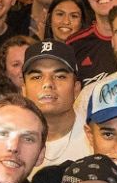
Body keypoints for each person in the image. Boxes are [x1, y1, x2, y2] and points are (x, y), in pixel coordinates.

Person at [21, 40, 90, 172]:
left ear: (76, 89)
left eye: (60, 76)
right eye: (37, 77)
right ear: (23, 90)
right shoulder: (12, 141)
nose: (48, 84)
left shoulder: (96, 137)